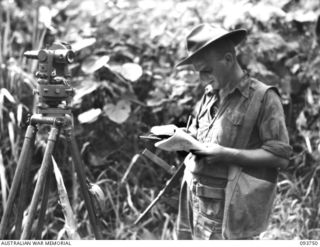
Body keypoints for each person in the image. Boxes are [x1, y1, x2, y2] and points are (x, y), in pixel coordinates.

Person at [175, 24, 292, 240]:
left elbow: (280, 158)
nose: (202, 79)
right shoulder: (210, 93)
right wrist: (180, 137)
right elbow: (202, 134)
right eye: (198, 72)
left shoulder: (264, 98)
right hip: (193, 202)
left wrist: (227, 154)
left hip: (229, 214)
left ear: (228, 59)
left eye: (206, 71)